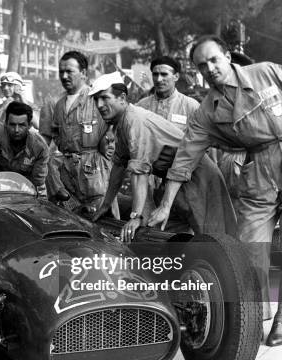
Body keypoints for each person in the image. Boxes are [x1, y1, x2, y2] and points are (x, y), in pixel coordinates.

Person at [148, 35, 282, 347]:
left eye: (213, 60)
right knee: (248, 251)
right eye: (201, 65)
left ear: (227, 57)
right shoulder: (208, 111)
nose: (209, 68)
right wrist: (165, 205)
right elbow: (184, 158)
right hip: (257, 174)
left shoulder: (266, 73)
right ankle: (250, 321)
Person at [89, 72, 236, 242]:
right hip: (175, 181)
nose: (99, 105)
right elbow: (119, 167)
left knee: (214, 241)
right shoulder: (122, 122)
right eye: (96, 100)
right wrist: (107, 204)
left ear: (122, 98)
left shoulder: (134, 121)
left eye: (105, 98)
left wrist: (136, 216)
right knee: (169, 236)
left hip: (198, 178)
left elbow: (139, 174)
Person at [44, 51, 116, 214]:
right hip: (67, 180)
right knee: (72, 225)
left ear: (83, 73)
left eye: (69, 71)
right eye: (61, 71)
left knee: (104, 224)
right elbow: (51, 139)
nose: (64, 76)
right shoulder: (58, 103)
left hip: (95, 178)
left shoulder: (98, 98)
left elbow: (114, 133)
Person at [0, 101, 49, 194]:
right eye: (12, 125)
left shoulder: (39, 147)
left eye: (22, 125)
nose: (16, 130)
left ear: (29, 125)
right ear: (5, 123)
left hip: (25, 191)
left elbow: (39, 182)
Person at [136, 56, 200, 132]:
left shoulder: (191, 106)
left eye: (164, 74)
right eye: (155, 74)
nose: (159, 79)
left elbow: (200, 138)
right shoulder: (141, 106)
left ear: (176, 76)